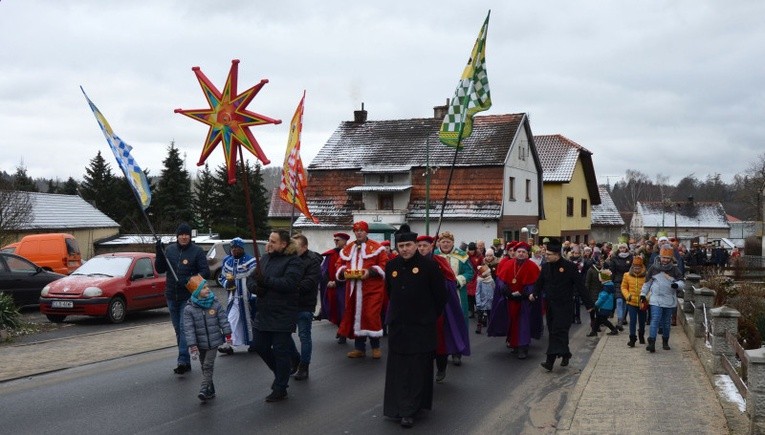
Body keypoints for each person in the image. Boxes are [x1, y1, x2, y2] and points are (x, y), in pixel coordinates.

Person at [383, 224, 447, 428]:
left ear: (416, 245)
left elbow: (440, 297)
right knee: (399, 368)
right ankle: (398, 407)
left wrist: (426, 315)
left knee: (417, 369)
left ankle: (411, 409)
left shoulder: (429, 267)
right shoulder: (391, 266)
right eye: (401, 245)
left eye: (408, 245)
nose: (404, 249)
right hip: (398, 327)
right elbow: (389, 293)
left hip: (421, 327)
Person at [250, 230, 303, 402]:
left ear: (283, 244)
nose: (269, 244)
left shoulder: (294, 261)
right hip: (263, 312)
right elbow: (251, 279)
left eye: (274, 241)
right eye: (269, 240)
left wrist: (266, 282)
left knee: (280, 351)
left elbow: (289, 283)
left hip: (283, 313)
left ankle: (281, 387)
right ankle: (281, 372)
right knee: (259, 345)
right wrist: (256, 288)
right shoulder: (265, 259)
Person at [155, 222, 210, 375]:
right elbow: (160, 268)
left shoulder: (197, 252)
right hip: (171, 295)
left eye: (186, 234)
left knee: (184, 328)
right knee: (178, 330)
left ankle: (182, 360)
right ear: (177, 236)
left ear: (190, 236)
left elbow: (205, 272)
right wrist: (159, 252)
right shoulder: (170, 250)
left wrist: (188, 281)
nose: (184, 237)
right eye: (181, 234)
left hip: (188, 297)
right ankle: (185, 359)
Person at [416, 234, 470, 384]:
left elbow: (453, 278)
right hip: (419, 306)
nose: (422, 249)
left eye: (425, 246)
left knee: (445, 331)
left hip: (444, 301)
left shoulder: (444, 259)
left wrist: (455, 282)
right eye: (419, 246)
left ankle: (448, 359)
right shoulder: (414, 261)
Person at [534, 238, 594, 372]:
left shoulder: (570, 267)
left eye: (549, 254)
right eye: (546, 254)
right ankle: (566, 354)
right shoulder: (545, 267)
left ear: (557, 254)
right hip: (550, 305)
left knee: (557, 331)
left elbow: (580, 286)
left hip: (565, 306)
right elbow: (539, 282)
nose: (546, 256)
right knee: (555, 331)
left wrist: (589, 304)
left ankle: (550, 361)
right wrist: (534, 293)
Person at [337, 221, 389, 359]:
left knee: (371, 315)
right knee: (355, 315)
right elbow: (339, 264)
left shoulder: (377, 248)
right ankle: (359, 348)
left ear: (366, 232)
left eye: (361, 230)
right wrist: (343, 272)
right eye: (356, 230)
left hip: (372, 289)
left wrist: (370, 272)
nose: (358, 232)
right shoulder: (348, 248)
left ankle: (375, 346)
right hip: (353, 289)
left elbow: (384, 265)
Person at [489, 241, 543, 359]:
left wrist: (525, 293)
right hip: (510, 299)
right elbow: (501, 280)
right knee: (512, 322)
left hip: (524, 301)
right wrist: (507, 291)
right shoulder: (508, 264)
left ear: (527, 254)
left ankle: (523, 347)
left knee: (523, 323)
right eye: (519, 252)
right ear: (515, 253)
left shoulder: (532, 266)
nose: (521, 254)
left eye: (523, 252)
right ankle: (514, 344)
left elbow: (534, 284)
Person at [183, 274, 232, 402]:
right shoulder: (189, 309)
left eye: (207, 287)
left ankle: (204, 388)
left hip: (214, 341)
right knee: (203, 365)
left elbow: (223, 319)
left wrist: (228, 334)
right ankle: (211, 389)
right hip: (200, 343)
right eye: (204, 288)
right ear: (197, 292)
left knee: (208, 365)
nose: (208, 289)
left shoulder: (214, 303)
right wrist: (192, 345)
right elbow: (189, 329)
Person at [434, 230, 474, 366]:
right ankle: (440, 351)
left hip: (457, 294)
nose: (445, 244)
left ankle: (457, 352)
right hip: (437, 295)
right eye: (443, 241)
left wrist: (457, 281)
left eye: (448, 242)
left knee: (457, 321)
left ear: (453, 243)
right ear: (439, 242)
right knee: (440, 323)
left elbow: (470, 272)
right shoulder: (433, 255)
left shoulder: (461, 256)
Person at [289, 234, 323, 380]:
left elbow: (309, 282)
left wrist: (289, 286)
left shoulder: (312, 261)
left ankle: (304, 366)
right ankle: (295, 359)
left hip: (304, 303)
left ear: (304, 247)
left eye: (296, 246)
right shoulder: (290, 259)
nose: (293, 249)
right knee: (283, 334)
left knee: (304, 336)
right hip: (289, 303)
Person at [217, 237, 257, 355]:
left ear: (242, 248)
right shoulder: (228, 261)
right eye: (233, 248)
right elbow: (221, 277)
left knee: (251, 319)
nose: (234, 250)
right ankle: (229, 344)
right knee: (231, 319)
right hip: (233, 297)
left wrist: (253, 294)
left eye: (237, 248)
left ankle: (254, 343)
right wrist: (226, 283)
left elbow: (255, 278)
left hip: (247, 297)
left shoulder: (251, 261)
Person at [640, 245, 684, 353]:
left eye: (667, 258)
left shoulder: (674, 269)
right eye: (663, 257)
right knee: (654, 320)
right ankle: (652, 343)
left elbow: (682, 282)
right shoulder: (653, 268)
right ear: (660, 257)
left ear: (671, 259)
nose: (665, 260)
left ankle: (665, 341)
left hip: (669, 299)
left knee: (666, 322)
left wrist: (676, 285)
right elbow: (647, 283)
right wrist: (643, 294)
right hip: (656, 299)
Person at [320, 232, 349, 343]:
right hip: (332, 286)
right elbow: (324, 270)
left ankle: (343, 333)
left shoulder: (348, 254)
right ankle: (340, 328)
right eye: (335, 240)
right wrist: (328, 281)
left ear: (345, 241)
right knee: (333, 309)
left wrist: (337, 282)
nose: (336, 242)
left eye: (338, 240)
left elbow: (349, 270)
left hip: (344, 287)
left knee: (344, 310)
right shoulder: (330, 255)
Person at [621, 256, 647, 347]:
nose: (637, 269)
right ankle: (632, 338)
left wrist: (646, 298)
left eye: (638, 268)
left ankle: (641, 334)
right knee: (632, 320)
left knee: (642, 321)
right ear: (632, 267)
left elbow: (650, 288)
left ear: (642, 267)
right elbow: (623, 287)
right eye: (635, 267)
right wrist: (627, 296)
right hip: (631, 302)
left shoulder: (646, 276)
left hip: (642, 302)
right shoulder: (626, 275)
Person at [606, 243, 632, 331]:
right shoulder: (614, 258)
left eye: (624, 247)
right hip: (617, 281)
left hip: (628, 282)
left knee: (625, 302)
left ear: (626, 248)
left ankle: (622, 318)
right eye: (620, 248)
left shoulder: (630, 258)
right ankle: (620, 321)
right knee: (619, 301)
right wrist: (609, 280)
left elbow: (632, 269)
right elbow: (611, 270)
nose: (622, 249)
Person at [587, 269, 619, 337]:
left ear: (603, 278)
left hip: (604, 306)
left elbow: (603, 297)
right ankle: (594, 332)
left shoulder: (606, 287)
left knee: (603, 320)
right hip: (607, 306)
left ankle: (614, 329)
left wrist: (596, 304)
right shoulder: (609, 285)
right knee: (598, 319)